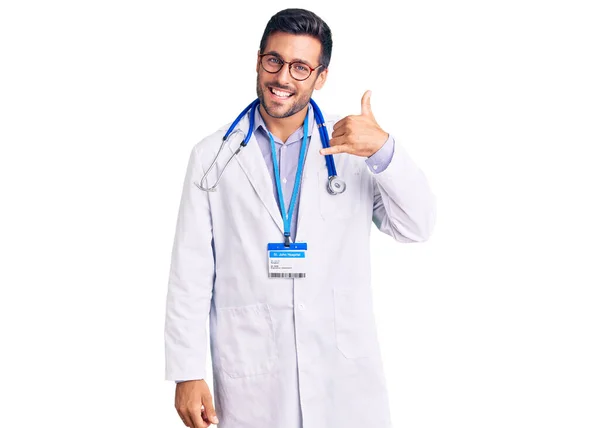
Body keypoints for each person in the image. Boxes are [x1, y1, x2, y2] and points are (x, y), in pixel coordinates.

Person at [164, 8, 436, 428]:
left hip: (342, 378)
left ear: (320, 76)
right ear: (258, 60)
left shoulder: (352, 151)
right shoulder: (211, 156)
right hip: (253, 376)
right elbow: (191, 269)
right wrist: (186, 369)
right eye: (274, 60)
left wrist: (384, 150)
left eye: (300, 67)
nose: (283, 78)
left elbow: (416, 226)